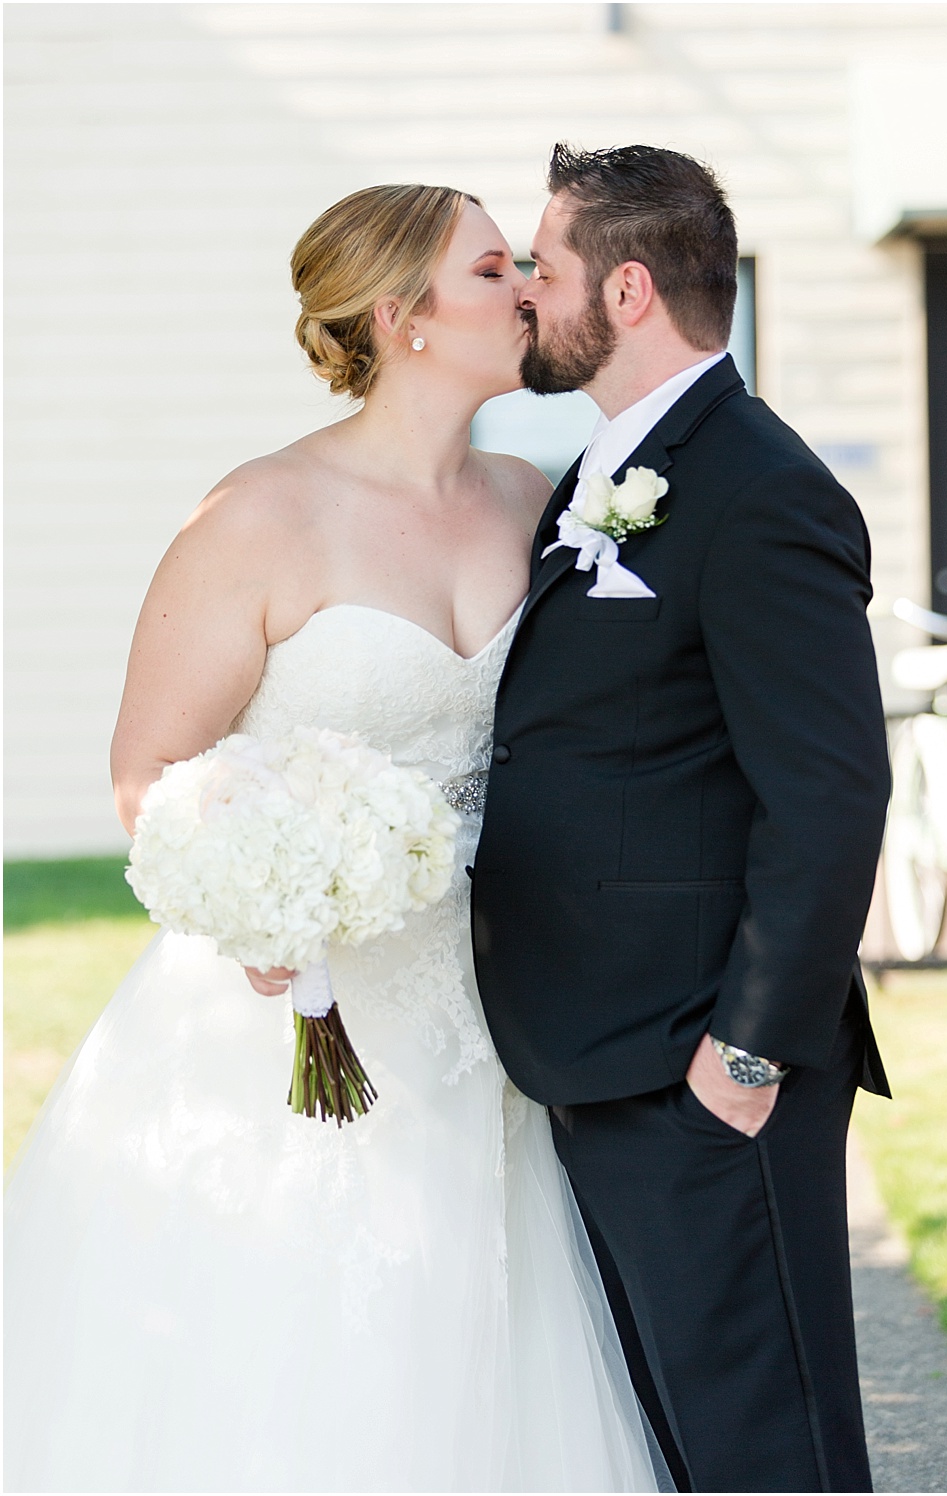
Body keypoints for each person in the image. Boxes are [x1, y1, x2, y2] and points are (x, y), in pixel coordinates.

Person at [4, 184, 667, 1493]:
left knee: (488, 1348)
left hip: (494, 1009)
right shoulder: (260, 514)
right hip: (292, 1017)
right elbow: (149, 770)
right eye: (495, 270)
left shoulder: (534, 500)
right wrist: (256, 912)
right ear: (403, 316)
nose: (529, 289)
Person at [472, 144, 892, 1495]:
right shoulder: (601, 472)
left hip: (699, 1068)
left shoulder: (763, 489)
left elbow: (829, 793)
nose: (527, 293)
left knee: (768, 1456)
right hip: (601, 1054)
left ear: (629, 290)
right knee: (678, 1450)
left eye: (545, 268)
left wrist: (746, 1057)